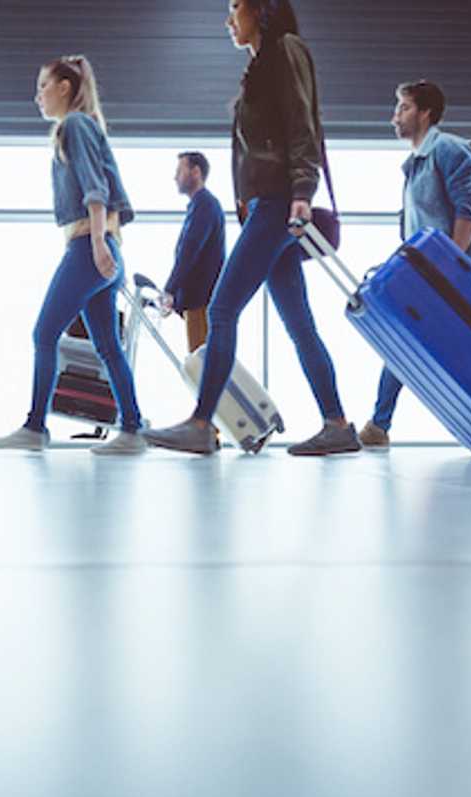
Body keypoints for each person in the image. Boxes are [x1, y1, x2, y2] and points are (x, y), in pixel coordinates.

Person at [143, 0, 359, 456]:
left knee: (221, 311)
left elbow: (303, 124)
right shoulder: (260, 67)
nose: (228, 19)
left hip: (280, 202)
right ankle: (337, 423)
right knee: (299, 324)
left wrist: (303, 190)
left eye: (235, 7)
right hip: (268, 203)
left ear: (261, 9)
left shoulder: (285, 50)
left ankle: (202, 424)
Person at [0, 54, 146, 454]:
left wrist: (94, 245)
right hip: (100, 248)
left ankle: (35, 427)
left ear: (64, 87)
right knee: (108, 346)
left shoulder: (75, 125)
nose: (37, 95)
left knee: (44, 333)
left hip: (89, 249)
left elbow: (96, 188)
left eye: (43, 85)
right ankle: (132, 430)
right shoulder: (80, 127)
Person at [358, 79, 471, 450]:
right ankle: (379, 425)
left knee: (436, 345)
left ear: (425, 112)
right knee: (403, 341)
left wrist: (452, 265)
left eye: (403, 108)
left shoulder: (449, 150)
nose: (394, 116)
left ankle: (380, 425)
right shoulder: (414, 164)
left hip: (450, 274)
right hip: (424, 273)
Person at [161, 151, 226, 353]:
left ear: (196, 172)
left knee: (201, 363)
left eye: (180, 171)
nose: (175, 177)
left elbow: (190, 249)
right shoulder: (200, 205)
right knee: (201, 361)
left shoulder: (205, 205)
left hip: (201, 302)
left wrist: (170, 289)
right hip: (197, 301)